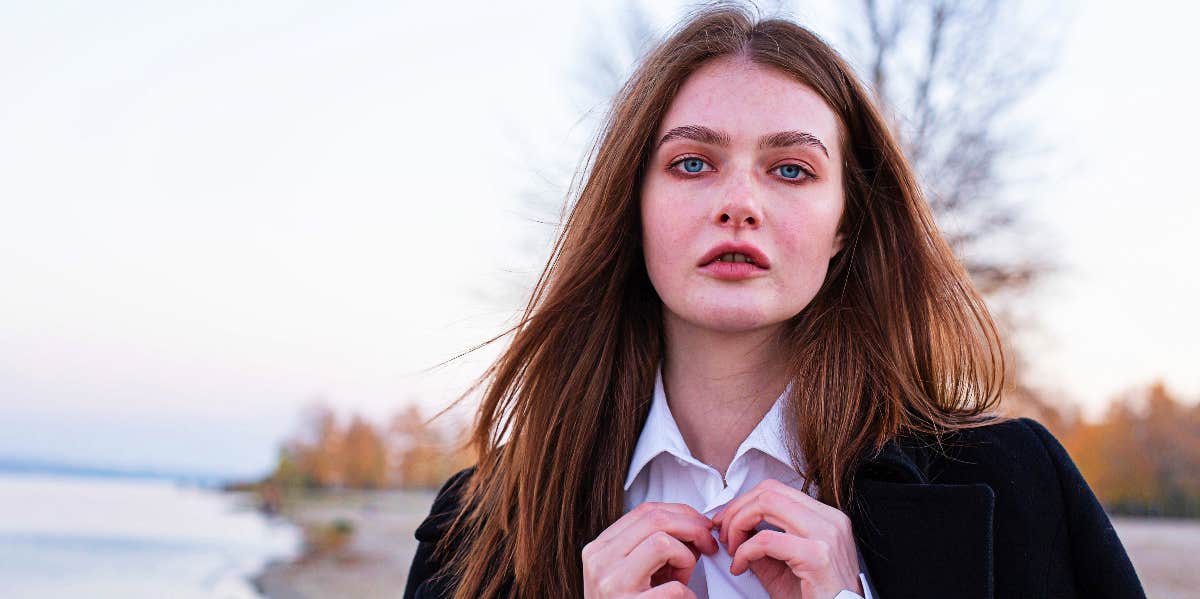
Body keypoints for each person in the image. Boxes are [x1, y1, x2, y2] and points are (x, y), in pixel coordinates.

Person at [404, 5, 1146, 599]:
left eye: (790, 169)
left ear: (845, 221)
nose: (739, 203)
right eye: (692, 162)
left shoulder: (1014, 482)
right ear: (634, 206)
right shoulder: (485, 519)